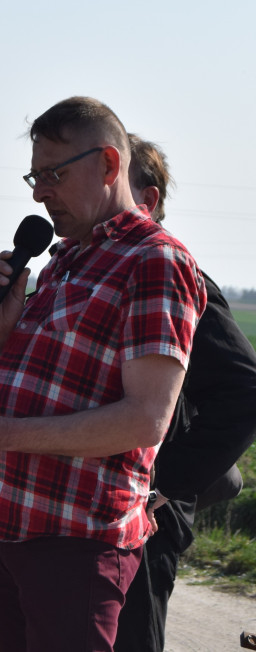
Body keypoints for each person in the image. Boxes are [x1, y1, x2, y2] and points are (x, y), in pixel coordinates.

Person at [0, 97, 206, 652]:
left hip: (77, 542)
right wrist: (1, 329)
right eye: (35, 175)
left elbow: (146, 419)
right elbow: (20, 389)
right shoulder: (62, 260)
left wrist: (0, 435)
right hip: (15, 528)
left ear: (108, 163)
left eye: (54, 173)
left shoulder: (154, 261)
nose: (38, 192)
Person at [114, 136, 256, 651]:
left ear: (145, 201)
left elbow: (244, 390)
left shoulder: (174, 273)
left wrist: (161, 485)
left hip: (145, 512)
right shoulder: (85, 271)